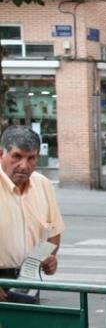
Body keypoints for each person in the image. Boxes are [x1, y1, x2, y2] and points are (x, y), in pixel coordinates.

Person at [0, 126, 63, 303]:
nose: (24, 166)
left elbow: (54, 232)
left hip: (31, 279)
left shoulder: (43, 185)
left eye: (31, 158)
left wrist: (50, 257)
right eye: (17, 156)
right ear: (1, 154)